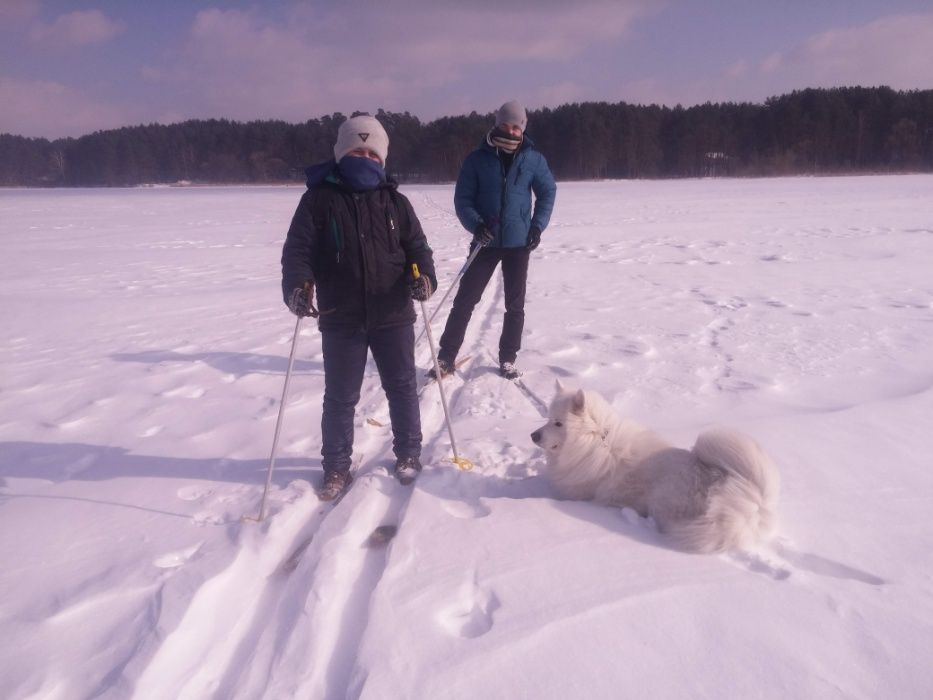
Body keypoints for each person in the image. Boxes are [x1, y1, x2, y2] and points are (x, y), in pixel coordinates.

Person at [281, 113, 437, 500]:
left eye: (372, 151)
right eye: (356, 149)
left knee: (401, 387)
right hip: (341, 316)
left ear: (382, 157)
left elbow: (418, 249)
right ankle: (335, 466)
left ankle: (408, 454)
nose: (364, 157)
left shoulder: (396, 203)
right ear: (340, 153)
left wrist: (424, 279)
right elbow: (298, 252)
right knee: (340, 396)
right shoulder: (318, 200)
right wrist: (298, 287)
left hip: (393, 312)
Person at [433, 100, 556, 380]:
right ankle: (445, 357)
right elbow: (463, 199)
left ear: (522, 128)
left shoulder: (533, 159)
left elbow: (548, 192)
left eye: (516, 126)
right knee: (465, 300)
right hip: (485, 243)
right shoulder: (477, 159)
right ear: (496, 124)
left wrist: (537, 226)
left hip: (518, 244)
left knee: (515, 304)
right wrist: (476, 225)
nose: (510, 131)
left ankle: (508, 358)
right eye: (505, 125)